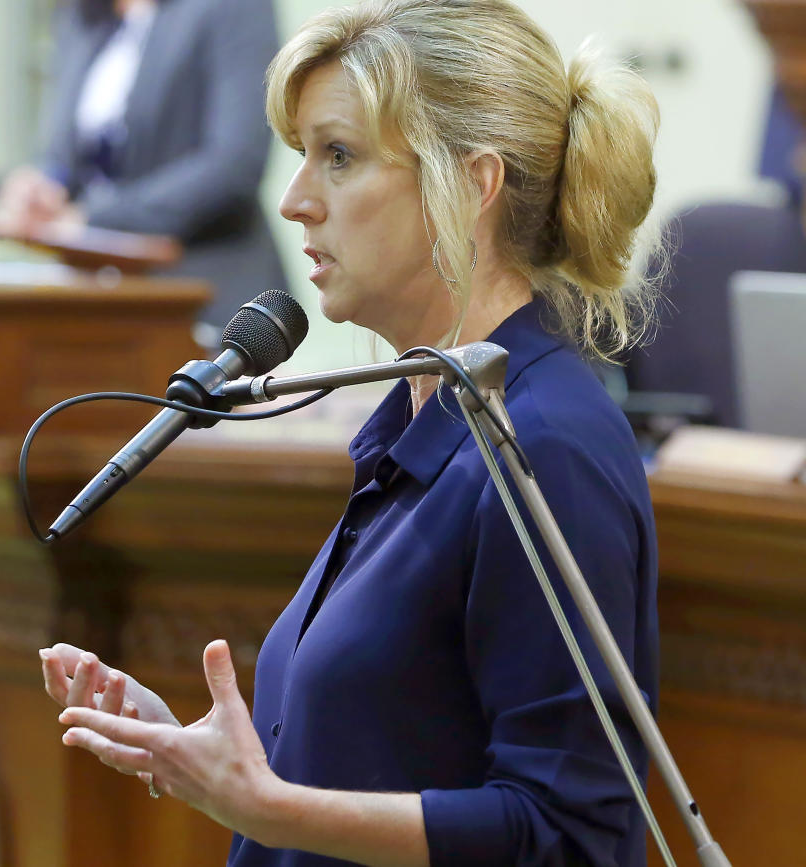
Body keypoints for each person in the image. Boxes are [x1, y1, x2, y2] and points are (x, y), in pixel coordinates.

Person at [40, 1, 662, 864]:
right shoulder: (413, 416)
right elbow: (383, 749)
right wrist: (194, 755)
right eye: (301, 157)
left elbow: (570, 836)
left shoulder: (542, 443)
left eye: (339, 155)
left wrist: (271, 809)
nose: (295, 202)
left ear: (472, 184)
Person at [0, 0, 287, 329]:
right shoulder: (82, 15)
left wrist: (95, 221)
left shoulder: (232, 7)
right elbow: (68, 154)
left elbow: (234, 164)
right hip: (93, 290)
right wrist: (44, 185)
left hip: (203, 290)